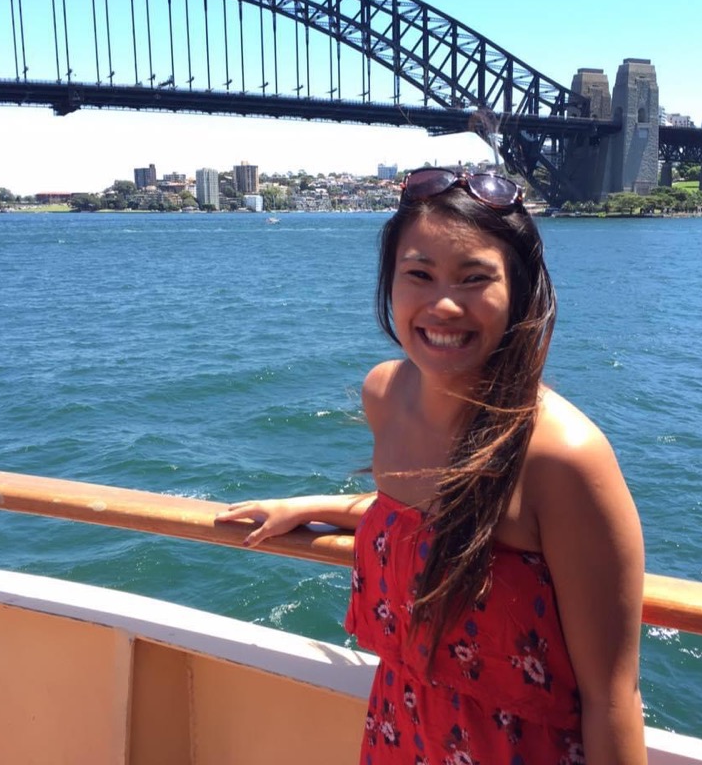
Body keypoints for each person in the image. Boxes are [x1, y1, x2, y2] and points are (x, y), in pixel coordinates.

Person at [216, 167, 646, 765]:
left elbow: (611, 698)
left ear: (520, 292)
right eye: (419, 274)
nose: (443, 304)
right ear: (389, 283)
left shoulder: (562, 456)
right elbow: (432, 515)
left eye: (475, 279)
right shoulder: (384, 395)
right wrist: (314, 507)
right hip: (400, 733)